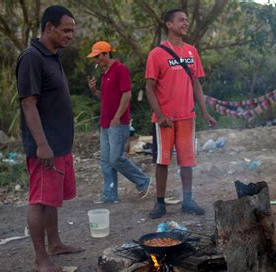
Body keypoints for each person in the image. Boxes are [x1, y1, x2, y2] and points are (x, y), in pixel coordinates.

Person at [16, 5, 83, 272]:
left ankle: (55, 243)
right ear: (49, 28)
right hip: (44, 146)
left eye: (72, 31)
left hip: (59, 144)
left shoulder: (53, 56)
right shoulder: (31, 57)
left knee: (53, 198)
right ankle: (40, 259)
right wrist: (42, 144)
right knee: (40, 200)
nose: (70, 35)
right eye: (65, 30)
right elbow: (29, 104)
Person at [145, 8, 217, 219]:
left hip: (187, 117)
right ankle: (160, 203)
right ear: (169, 24)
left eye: (187, 20)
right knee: (162, 161)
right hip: (164, 119)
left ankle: (188, 201)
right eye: (181, 20)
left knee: (187, 161)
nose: (186, 23)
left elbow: (196, 84)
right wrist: (159, 115)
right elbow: (149, 87)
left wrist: (204, 113)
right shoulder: (156, 54)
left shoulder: (192, 52)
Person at [86, 41, 150, 203]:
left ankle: (142, 181)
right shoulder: (105, 73)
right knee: (106, 162)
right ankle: (109, 196)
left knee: (115, 158)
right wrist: (94, 91)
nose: (95, 60)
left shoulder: (120, 69)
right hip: (105, 124)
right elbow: (105, 98)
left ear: (106, 54)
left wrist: (117, 117)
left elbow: (127, 95)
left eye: (97, 57)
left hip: (118, 123)